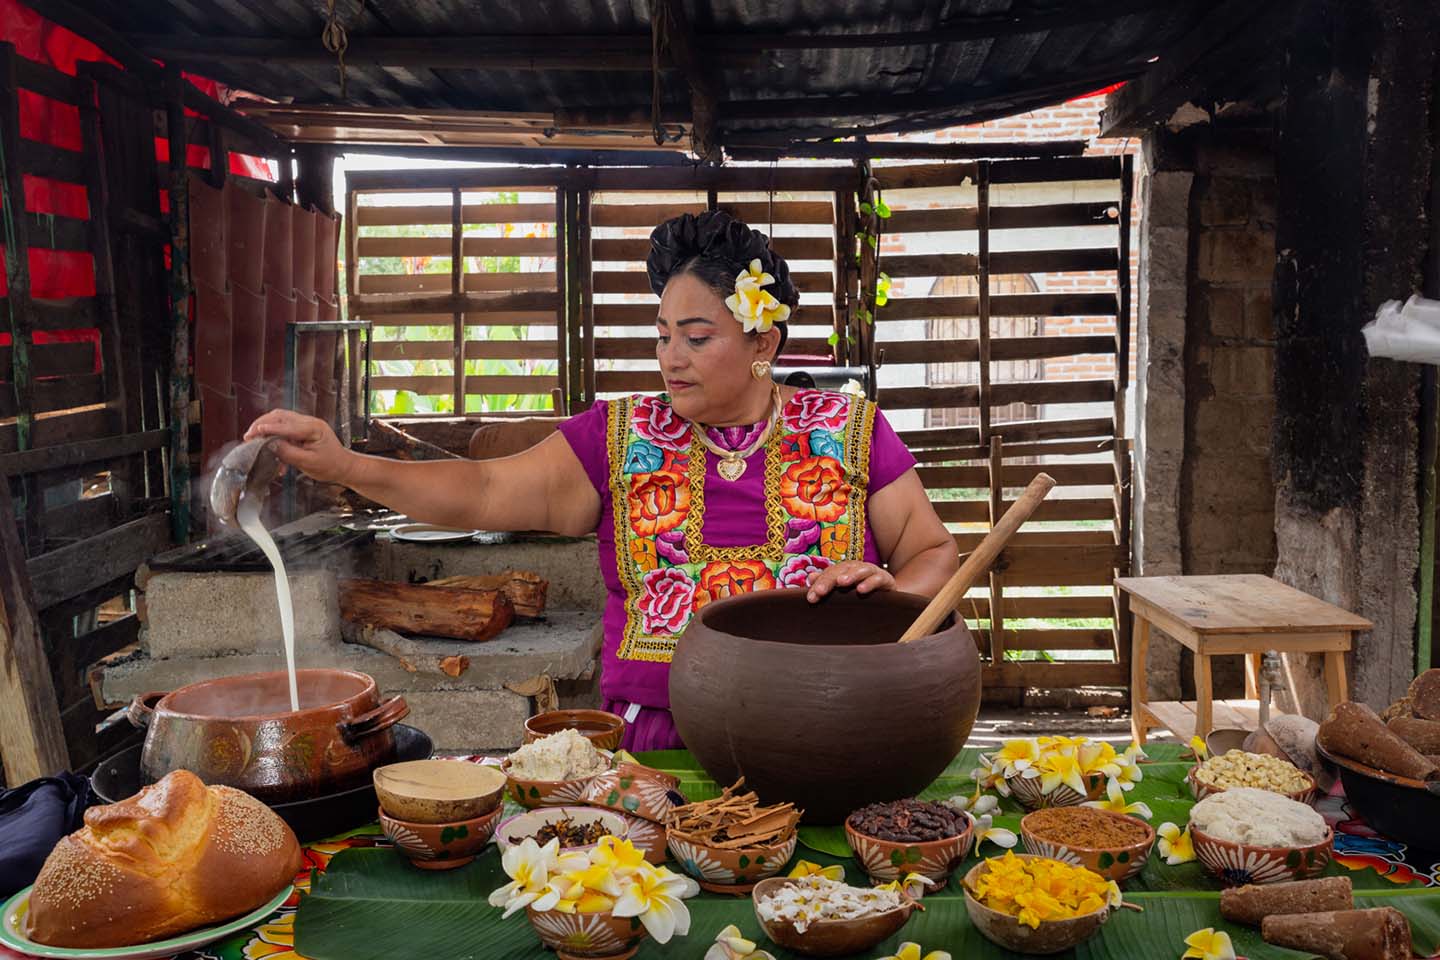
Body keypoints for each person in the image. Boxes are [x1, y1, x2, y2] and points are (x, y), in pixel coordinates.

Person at [245, 210, 958, 750]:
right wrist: (344, 466)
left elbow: (933, 553)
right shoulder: (620, 439)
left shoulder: (848, 430)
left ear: (763, 343)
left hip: (829, 730)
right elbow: (484, 491)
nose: (670, 357)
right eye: (661, 334)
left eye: (697, 337)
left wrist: (889, 595)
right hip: (658, 748)